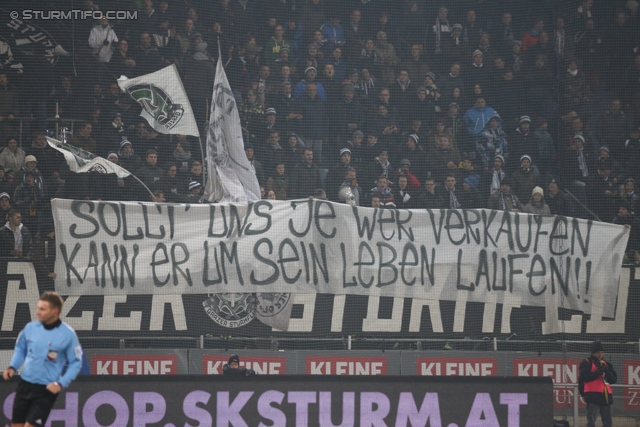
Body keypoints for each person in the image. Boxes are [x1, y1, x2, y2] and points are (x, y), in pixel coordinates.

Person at [3, 292, 83, 427]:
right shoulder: (30, 328)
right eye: (38, 308)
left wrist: (60, 383)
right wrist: (12, 367)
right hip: (24, 385)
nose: (37, 312)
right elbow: (20, 349)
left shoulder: (68, 334)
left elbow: (76, 362)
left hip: (45, 390)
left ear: (55, 311)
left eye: (42, 309)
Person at [579, 341, 617, 427]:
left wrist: (607, 371)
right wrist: (598, 372)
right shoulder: (586, 362)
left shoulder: (607, 364)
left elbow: (613, 380)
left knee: (608, 423)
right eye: (598, 353)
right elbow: (584, 378)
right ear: (593, 353)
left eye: (602, 353)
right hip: (593, 395)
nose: (600, 355)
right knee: (591, 421)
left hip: (606, 396)